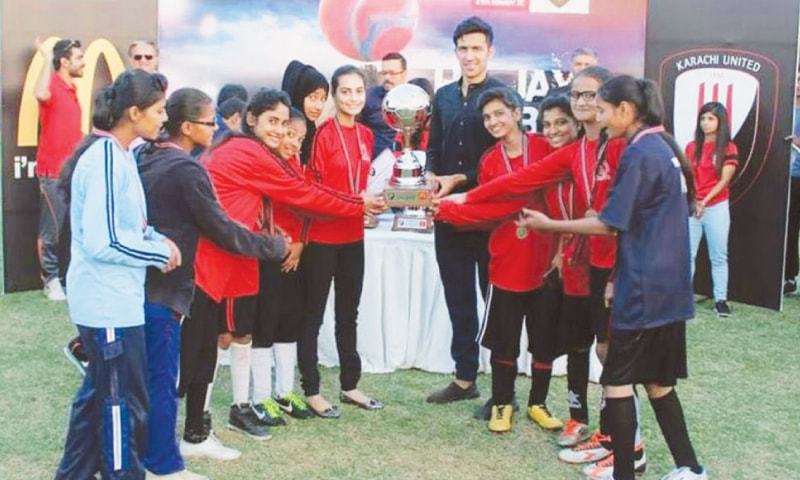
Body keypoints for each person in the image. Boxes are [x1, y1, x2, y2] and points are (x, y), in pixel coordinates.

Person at [448, 67, 647, 476]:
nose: (582, 104)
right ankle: (593, 428)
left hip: (610, 266)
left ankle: (623, 442)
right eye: (577, 95)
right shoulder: (567, 154)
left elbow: (618, 217)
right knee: (580, 345)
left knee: (610, 353)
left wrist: (561, 233)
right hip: (570, 265)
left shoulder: (616, 147)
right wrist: (462, 199)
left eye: (590, 97)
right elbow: (515, 188)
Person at [516, 74, 707, 480]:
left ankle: (626, 470)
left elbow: (609, 223)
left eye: (602, 110)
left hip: (644, 292)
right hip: (669, 291)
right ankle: (690, 469)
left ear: (625, 110)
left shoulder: (639, 152)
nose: (598, 118)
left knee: (617, 383)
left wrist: (550, 224)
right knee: (658, 383)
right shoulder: (663, 145)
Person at [188, 88, 384, 443]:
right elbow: (302, 193)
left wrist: (270, 227)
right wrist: (359, 203)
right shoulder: (247, 151)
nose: (279, 130)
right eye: (272, 121)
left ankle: (238, 408)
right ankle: (198, 427)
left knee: (239, 333)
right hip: (221, 257)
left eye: (283, 123)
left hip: (242, 254)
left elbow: (273, 195)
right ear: (251, 119)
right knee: (219, 337)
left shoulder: (247, 147)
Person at [137, 87, 287, 476]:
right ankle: (161, 459)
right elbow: (221, 228)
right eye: (209, 121)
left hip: (184, 280)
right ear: (187, 127)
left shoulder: (152, 156)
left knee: (200, 358)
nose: (217, 127)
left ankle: (194, 435)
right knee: (175, 372)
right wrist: (272, 246)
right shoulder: (185, 168)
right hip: (178, 283)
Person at [54, 69, 180, 480]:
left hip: (116, 300)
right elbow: (103, 240)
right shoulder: (106, 158)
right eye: (159, 110)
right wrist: (157, 252)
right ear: (134, 113)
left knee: (98, 398)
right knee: (120, 404)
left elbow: (127, 225)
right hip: (107, 303)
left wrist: (155, 238)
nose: (165, 118)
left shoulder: (120, 154)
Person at [436, 87, 559, 433]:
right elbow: (488, 213)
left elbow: (519, 200)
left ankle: (538, 403)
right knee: (504, 339)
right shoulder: (489, 160)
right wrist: (442, 211)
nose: (493, 122)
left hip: (545, 260)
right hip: (506, 261)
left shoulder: (544, 147)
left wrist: (449, 208)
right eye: (487, 117)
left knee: (543, 339)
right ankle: (502, 403)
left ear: (517, 113)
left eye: (499, 114)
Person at [425, 16, 505, 405]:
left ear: (490, 51)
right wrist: (429, 176)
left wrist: (458, 179)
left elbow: (503, 159)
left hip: (489, 216)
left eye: (476, 48)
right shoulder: (443, 96)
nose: (469, 56)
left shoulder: (501, 96)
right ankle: (464, 378)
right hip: (448, 216)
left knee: (496, 304)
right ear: (455, 51)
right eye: (463, 49)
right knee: (459, 300)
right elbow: (433, 147)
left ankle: (503, 387)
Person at [300, 65, 385, 418]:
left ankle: (350, 385)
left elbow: (360, 187)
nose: (353, 98)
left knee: (349, 314)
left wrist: (371, 206)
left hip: (353, 237)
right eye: (345, 91)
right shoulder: (321, 134)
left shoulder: (366, 135)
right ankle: (311, 390)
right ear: (335, 95)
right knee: (313, 315)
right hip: (322, 237)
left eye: (359, 91)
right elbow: (317, 193)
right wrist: (357, 203)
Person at [250, 107, 314, 426]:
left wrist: (299, 245)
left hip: (294, 259)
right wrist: (280, 242)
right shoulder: (266, 166)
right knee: (265, 324)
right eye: (289, 135)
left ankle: (284, 392)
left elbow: (307, 210)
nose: (294, 144)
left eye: (300, 139)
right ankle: (260, 397)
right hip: (268, 257)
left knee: (290, 323)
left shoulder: (299, 168)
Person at [33, 37, 85, 301]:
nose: (83, 62)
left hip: (71, 174)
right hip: (52, 172)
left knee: (70, 230)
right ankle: (50, 280)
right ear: (64, 61)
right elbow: (40, 94)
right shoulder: (52, 83)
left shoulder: (71, 88)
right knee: (51, 229)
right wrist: (45, 59)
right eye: (79, 58)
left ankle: (67, 278)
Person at [687, 102, 738, 317]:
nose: (705, 123)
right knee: (688, 255)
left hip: (716, 206)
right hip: (693, 206)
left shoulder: (728, 147)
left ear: (720, 122)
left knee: (718, 256)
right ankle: (683, 298)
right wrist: (694, 200)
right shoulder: (691, 147)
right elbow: (688, 177)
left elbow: (724, 180)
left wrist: (704, 201)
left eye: (711, 119)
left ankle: (720, 300)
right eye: (703, 118)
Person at [281, 60, 329, 165]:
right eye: (313, 97)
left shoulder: (312, 134)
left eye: (323, 99)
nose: (319, 106)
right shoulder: (278, 136)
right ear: (299, 94)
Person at [361, 52, 408, 157]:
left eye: (392, 73)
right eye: (384, 73)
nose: (387, 77)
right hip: (375, 162)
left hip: (407, 160)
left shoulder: (414, 99)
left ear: (404, 73)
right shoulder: (369, 97)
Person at [785, 72, 800, 295]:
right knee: (789, 227)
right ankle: (789, 277)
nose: (798, 85)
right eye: (797, 80)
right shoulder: (784, 107)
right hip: (787, 179)